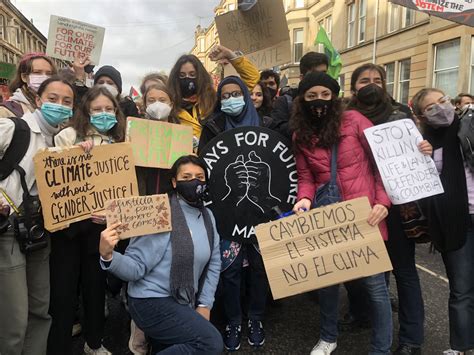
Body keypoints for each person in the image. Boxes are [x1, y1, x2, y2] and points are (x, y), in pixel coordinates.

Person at [291, 72, 393, 355]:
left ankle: (381, 349)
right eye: (311, 96)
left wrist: (383, 202)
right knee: (327, 284)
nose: (318, 101)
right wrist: (304, 200)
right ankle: (328, 337)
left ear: (334, 96)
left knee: (376, 290)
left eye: (325, 94)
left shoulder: (356, 122)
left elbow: (382, 164)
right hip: (328, 217)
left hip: (366, 215)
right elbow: (306, 177)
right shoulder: (300, 134)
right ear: (302, 100)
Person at [99, 155, 223, 354]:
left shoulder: (208, 217)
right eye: (187, 176)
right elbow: (136, 267)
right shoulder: (160, 214)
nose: (194, 182)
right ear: (174, 182)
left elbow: (215, 262)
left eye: (200, 177)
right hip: (150, 300)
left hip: (184, 301)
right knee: (210, 343)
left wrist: (205, 304)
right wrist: (108, 255)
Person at [346, 63, 431, 355]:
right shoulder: (344, 119)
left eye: (377, 80)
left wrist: (424, 150)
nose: (371, 84)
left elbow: (417, 151)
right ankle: (367, 316)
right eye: (364, 80)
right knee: (367, 271)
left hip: (398, 207)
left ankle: (411, 338)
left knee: (404, 272)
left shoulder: (401, 115)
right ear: (353, 87)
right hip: (362, 206)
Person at [48, 86, 125, 355]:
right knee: (64, 291)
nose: (103, 114)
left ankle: (94, 344)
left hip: (99, 230)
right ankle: (57, 347)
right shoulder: (67, 136)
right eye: (97, 109)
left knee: (95, 289)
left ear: (115, 111)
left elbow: (123, 185)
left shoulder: (119, 141)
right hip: (68, 231)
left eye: (108, 109)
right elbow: (53, 178)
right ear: (86, 111)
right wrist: (74, 155)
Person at [0, 76, 75, 355]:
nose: (60, 105)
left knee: (40, 311)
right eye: (53, 99)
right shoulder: (13, 128)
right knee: (14, 321)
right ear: (38, 100)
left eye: (67, 102)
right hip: (8, 231)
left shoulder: (62, 140)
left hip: (41, 233)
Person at [198, 75, 269, 351]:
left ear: (246, 95)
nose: (230, 99)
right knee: (229, 271)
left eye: (235, 93)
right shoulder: (213, 126)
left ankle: (256, 319)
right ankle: (234, 321)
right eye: (224, 95)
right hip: (227, 212)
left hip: (262, 212)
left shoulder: (266, 124)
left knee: (260, 269)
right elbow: (205, 165)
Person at [411, 88, 474, 355]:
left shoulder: (469, 128)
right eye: (431, 107)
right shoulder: (422, 142)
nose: (441, 107)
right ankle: (459, 346)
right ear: (421, 115)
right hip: (455, 220)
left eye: (443, 101)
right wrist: (420, 156)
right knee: (461, 288)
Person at [168, 45, 259, 143]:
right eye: (182, 75)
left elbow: (252, 78)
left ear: (200, 76)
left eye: (192, 74)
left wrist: (230, 55)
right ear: (175, 78)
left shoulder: (215, 100)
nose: (187, 79)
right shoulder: (169, 108)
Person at [271, 52, 329, 138]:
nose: (320, 78)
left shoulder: (331, 102)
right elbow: (278, 133)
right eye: (314, 74)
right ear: (302, 78)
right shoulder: (285, 102)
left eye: (323, 74)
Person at [137, 83, 181, 195]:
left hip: (172, 197)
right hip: (143, 198)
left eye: (162, 100)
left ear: (171, 105)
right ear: (145, 105)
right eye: (151, 101)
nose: (157, 104)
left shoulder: (182, 136)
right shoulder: (136, 133)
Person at [72, 57, 139, 118]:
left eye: (110, 83)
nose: (105, 86)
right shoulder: (87, 104)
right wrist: (79, 75)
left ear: (118, 89)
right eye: (100, 82)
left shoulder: (128, 107)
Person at [0, 52, 56, 118]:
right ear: (24, 77)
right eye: (37, 72)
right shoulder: (7, 111)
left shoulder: (57, 107)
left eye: (49, 73)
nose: (44, 77)